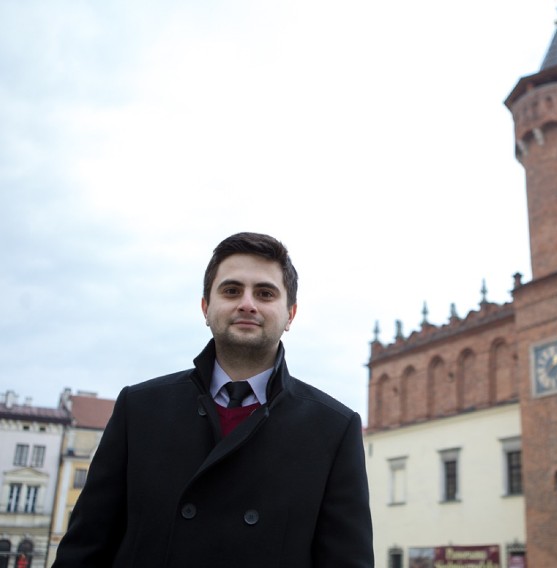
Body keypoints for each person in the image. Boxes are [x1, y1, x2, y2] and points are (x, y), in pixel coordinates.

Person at [53, 232, 374, 567]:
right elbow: (84, 550)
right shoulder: (139, 409)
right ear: (206, 308)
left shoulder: (333, 429)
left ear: (290, 314)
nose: (247, 303)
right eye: (231, 290)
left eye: (265, 293)